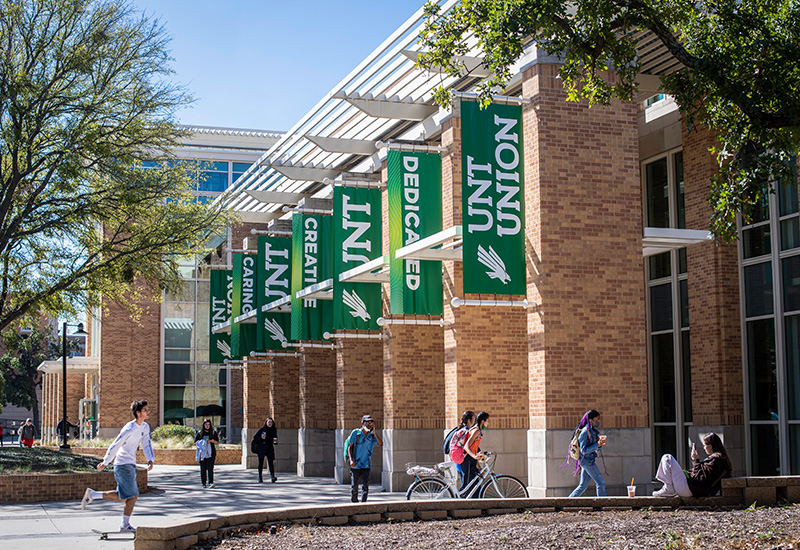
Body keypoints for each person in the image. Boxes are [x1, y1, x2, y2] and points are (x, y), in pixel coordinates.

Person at [81, 400, 154, 533]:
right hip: (122, 464)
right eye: (145, 410)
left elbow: (146, 443)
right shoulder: (129, 428)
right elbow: (116, 444)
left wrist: (150, 459)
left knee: (123, 497)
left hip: (130, 464)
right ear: (138, 413)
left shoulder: (145, 427)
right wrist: (105, 462)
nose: (148, 412)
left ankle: (92, 494)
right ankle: (124, 525)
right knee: (133, 496)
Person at [653, 432, 733, 498]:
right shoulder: (720, 460)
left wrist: (695, 459)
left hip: (690, 489)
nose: (704, 448)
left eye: (705, 445)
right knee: (669, 461)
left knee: (667, 458)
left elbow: (700, 477)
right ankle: (669, 487)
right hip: (692, 488)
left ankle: (668, 487)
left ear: (710, 446)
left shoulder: (715, 460)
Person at [568, 410, 607, 497]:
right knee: (600, 482)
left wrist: (599, 444)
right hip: (586, 461)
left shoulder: (593, 431)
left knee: (583, 486)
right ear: (590, 420)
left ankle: (568, 501)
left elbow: (595, 448)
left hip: (589, 460)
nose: (597, 422)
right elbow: (584, 451)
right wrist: (597, 445)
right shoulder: (585, 432)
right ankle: (603, 503)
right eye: (596, 420)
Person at [347, 414, 383, 503]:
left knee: (365, 486)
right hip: (356, 464)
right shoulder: (356, 433)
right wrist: (351, 460)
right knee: (354, 486)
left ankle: (363, 503)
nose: (369, 424)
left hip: (366, 464)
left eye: (371, 422)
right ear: (362, 423)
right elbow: (350, 447)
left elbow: (380, 443)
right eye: (367, 422)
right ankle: (354, 501)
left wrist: (374, 432)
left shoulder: (371, 436)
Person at [461, 411, 490, 493]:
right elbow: (466, 446)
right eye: (487, 421)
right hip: (467, 461)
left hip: (471, 461)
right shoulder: (476, 430)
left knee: (475, 487)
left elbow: (474, 448)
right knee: (469, 488)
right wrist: (474, 456)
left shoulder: (477, 431)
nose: (488, 424)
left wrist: (478, 465)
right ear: (483, 421)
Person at [449, 410, 475, 485]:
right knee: (465, 484)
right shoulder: (466, 431)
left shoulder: (460, 429)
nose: (474, 421)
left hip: (457, 458)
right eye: (473, 418)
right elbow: (467, 446)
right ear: (469, 420)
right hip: (462, 458)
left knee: (464, 482)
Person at [251, 417, 278, 483]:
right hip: (262, 448)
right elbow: (255, 437)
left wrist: (275, 441)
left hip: (269, 448)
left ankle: (272, 477)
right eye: (268, 422)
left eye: (271, 422)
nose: (270, 423)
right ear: (266, 423)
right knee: (261, 463)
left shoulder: (273, 430)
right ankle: (260, 477)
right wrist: (261, 437)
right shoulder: (262, 430)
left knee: (271, 463)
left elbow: (275, 439)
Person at [195, 418, 219, 488]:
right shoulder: (200, 433)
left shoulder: (213, 432)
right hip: (202, 453)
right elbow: (195, 442)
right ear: (203, 425)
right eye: (206, 424)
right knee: (203, 468)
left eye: (208, 424)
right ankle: (203, 483)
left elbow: (217, 442)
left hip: (211, 453)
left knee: (210, 468)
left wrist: (211, 441)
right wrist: (203, 442)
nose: (207, 426)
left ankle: (211, 482)